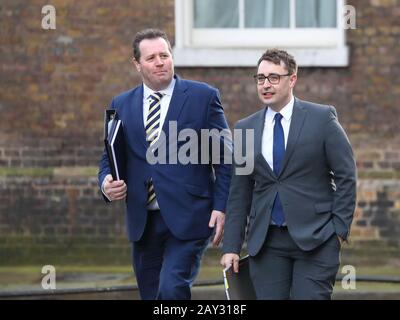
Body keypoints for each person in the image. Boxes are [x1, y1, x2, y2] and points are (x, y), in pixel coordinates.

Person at [98, 28, 232, 300]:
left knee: (171, 290)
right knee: (151, 295)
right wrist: (105, 183)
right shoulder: (120, 104)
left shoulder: (202, 97)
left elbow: (226, 158)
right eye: (151, 58)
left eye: (165, 55)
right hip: (143, 220)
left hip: (190, 216)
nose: (160, 62)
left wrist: (222, 206)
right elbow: (108, 157)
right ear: (137, 64)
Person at [220, 49, 357, 300]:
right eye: (260, 78)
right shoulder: (245, 128)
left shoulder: (322, 118)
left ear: (292, 79)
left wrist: (339, 230)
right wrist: (231, 247)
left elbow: (346, 175)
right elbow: (239, 193)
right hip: (267, 243)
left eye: (274, 77)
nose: (266, 85)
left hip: (317, 239)